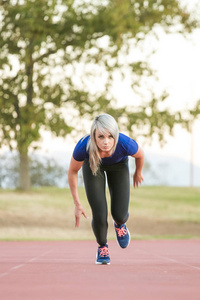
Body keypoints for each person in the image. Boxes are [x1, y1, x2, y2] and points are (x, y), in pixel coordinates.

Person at [68, 113, 144, 265]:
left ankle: (120, 225)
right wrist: (77, 204)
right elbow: (72, 172)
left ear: (115, 136)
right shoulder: (83, 147)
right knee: (100, 214)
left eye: (110, 136)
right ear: (93, 136)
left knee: (120, 214)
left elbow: (140, 155)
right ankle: (102, 247)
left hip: (119, 167)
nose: (106, 142)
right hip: (92, 165)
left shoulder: (124, 143)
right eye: (101, 137)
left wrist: (138, 172)